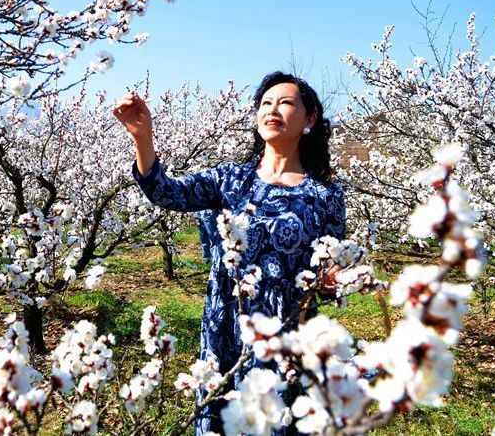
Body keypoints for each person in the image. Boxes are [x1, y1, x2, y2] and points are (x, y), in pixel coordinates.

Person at [113, 71, 347, 435]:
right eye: (265, 103)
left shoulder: (326, 194)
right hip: (226, 327)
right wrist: (143, 139)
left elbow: (329, 263)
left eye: (285, 102)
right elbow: (166, 193)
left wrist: (335, 281)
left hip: (285, 333)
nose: (273, 110)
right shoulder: (231, 180)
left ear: (310, 119)